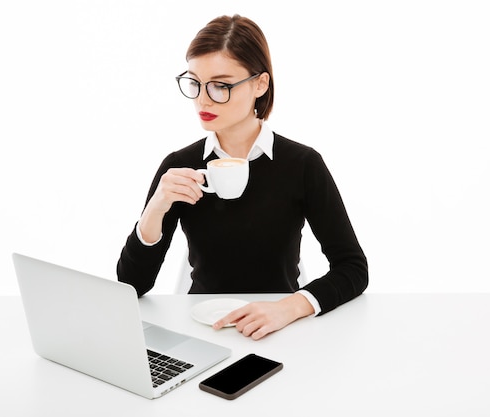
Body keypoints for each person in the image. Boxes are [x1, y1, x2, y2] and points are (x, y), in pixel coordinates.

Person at [117, 14, 368, 340]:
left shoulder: (302, 164)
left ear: (260, 84)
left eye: (221, 85)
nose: (203, 99)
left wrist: (291, 307)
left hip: (280, 330)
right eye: (195, 82)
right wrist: (156, 207)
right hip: (200, 330)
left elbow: (353, 268)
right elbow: (132, 285)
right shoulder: (181, 164)